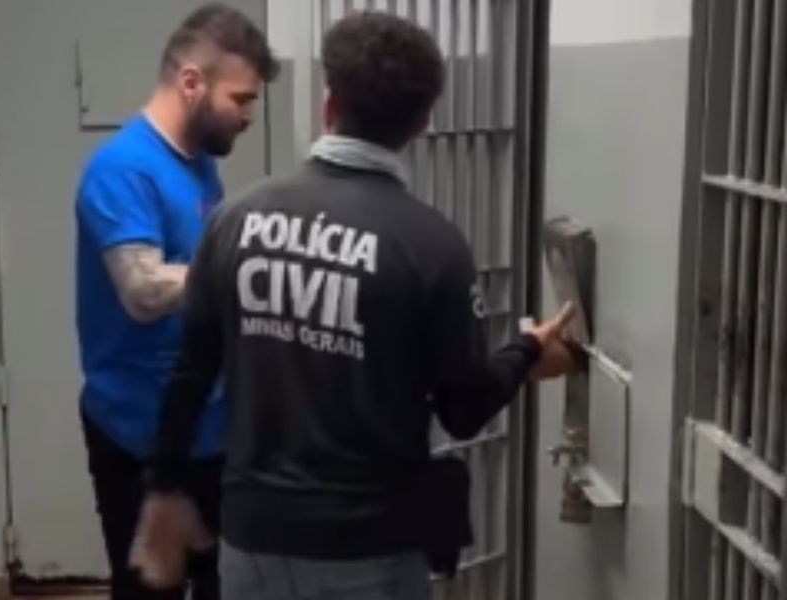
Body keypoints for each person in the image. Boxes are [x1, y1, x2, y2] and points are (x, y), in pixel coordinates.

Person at [134, 10, 577, 600]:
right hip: (369, 546)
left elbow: (191, 374)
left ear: (329, 105)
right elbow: (464, 409)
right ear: (421, 124)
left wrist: (163, 486)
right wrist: (525, 352)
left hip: (253, 538)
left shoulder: (236, 219)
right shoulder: (431, 245)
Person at [74, 4, 278, 599]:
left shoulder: (199, 165)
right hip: (139, 433)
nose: (248, 116)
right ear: (192, 83)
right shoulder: (122, 169)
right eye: (241, 99)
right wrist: (253, 269)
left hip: (206, 429)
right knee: (151, 591)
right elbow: (142, 292)